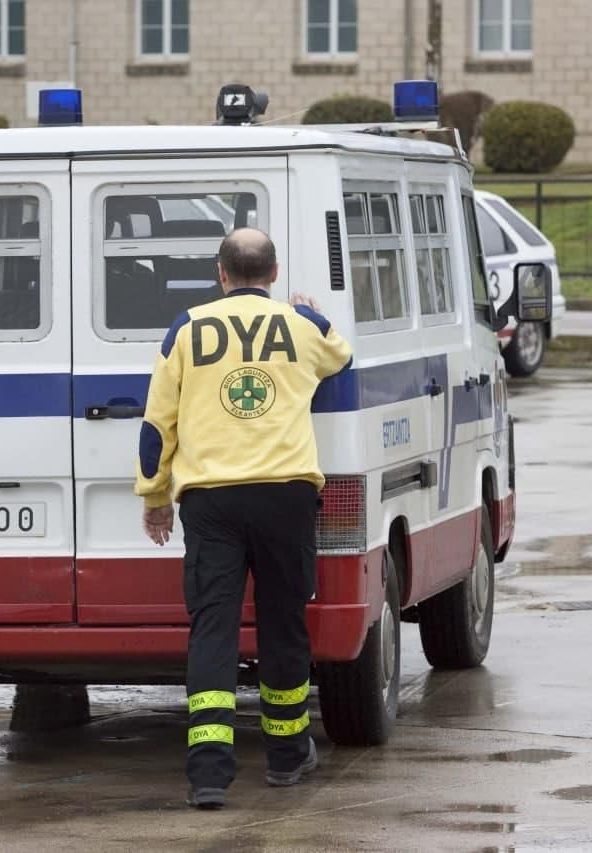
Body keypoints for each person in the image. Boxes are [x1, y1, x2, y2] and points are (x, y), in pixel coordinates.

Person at [134, 227, 353, 810]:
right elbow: (342, 352)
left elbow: (159, 424)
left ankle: (208, 774)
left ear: (220, 273)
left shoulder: (186, 329)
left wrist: (154, 496)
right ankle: (286, 758)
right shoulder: (300, 326)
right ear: (275, 274)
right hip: (285, 495)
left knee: (213, 628)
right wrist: (312, 312)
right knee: (284, 624)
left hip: (212, 501)